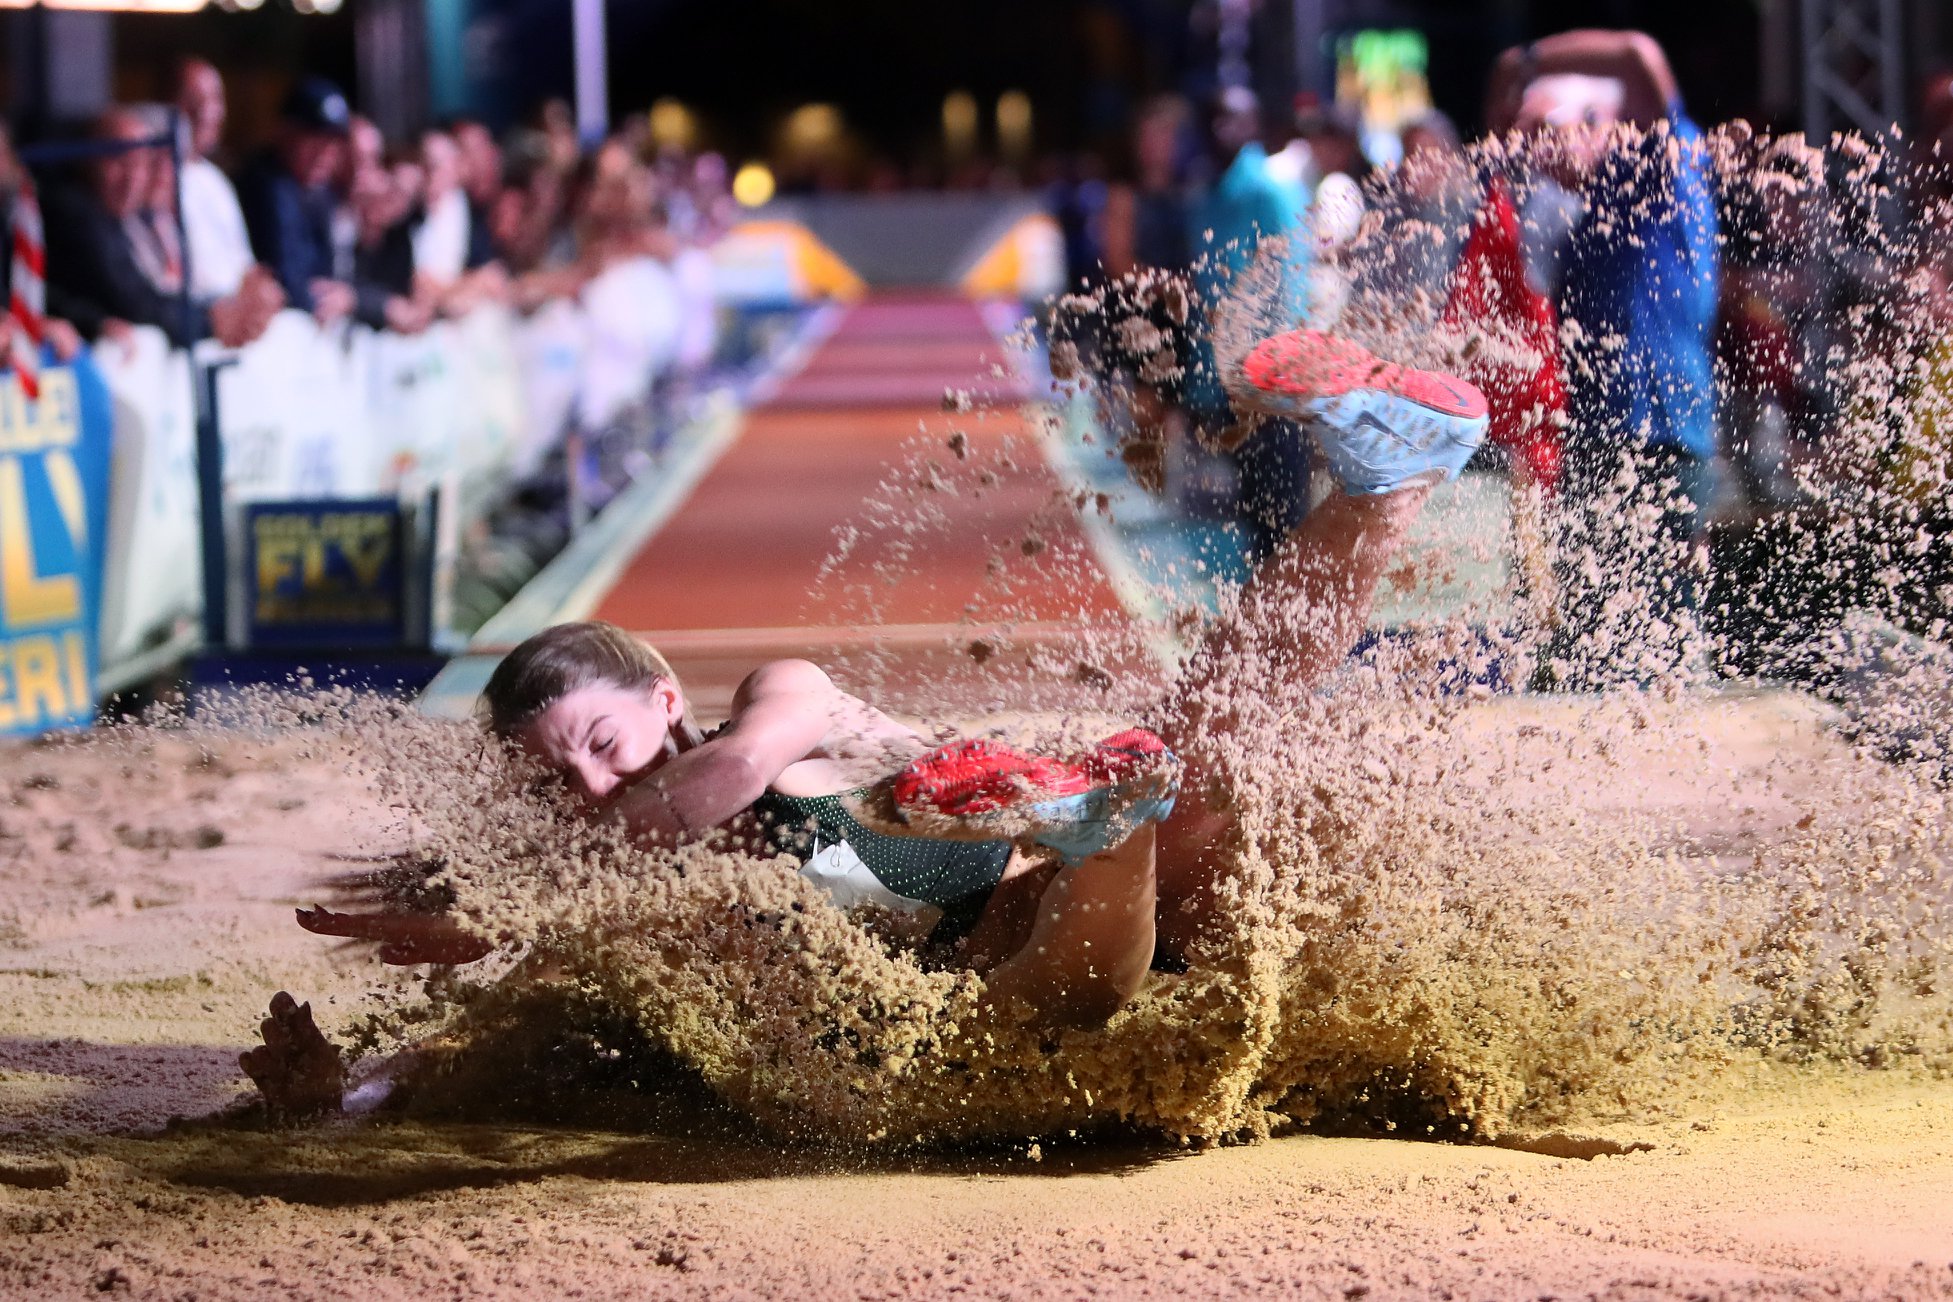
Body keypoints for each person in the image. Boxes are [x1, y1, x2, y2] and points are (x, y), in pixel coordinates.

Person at [287, 326, 1491, 1035]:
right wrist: (386, 1026)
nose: (598, 787)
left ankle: (1383, 483)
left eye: (602, 741)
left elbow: (733, 779)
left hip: (1044, 890)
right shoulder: (638, 887)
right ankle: (1383, 492)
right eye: (563, 779)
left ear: (663, 697)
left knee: (1131, 866)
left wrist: (530, 884)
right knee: (1084, 911)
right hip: (1065, 926)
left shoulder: (778, 704)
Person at [42, 108, 277, 349]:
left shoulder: (118, 214)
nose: (132, 178)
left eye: (140, 164)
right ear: (87, 160)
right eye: (118, 161)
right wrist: (211, 320)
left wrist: (225, 311)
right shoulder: (75, 211)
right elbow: (133, 302)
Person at [238, 77, 358, 324]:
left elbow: (333, 273)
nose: (324, 154)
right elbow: (288, 280)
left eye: (332, 144)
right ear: (286, 133)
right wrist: (322, 299)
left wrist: (345, 296)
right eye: (314, 140)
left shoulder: (321, 194)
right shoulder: (265, 184)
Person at [174, 58, 258, 305]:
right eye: (192, 100)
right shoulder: (155, 184)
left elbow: (246, 267)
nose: (205, 112)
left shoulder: (216, 180)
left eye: (214, 99)